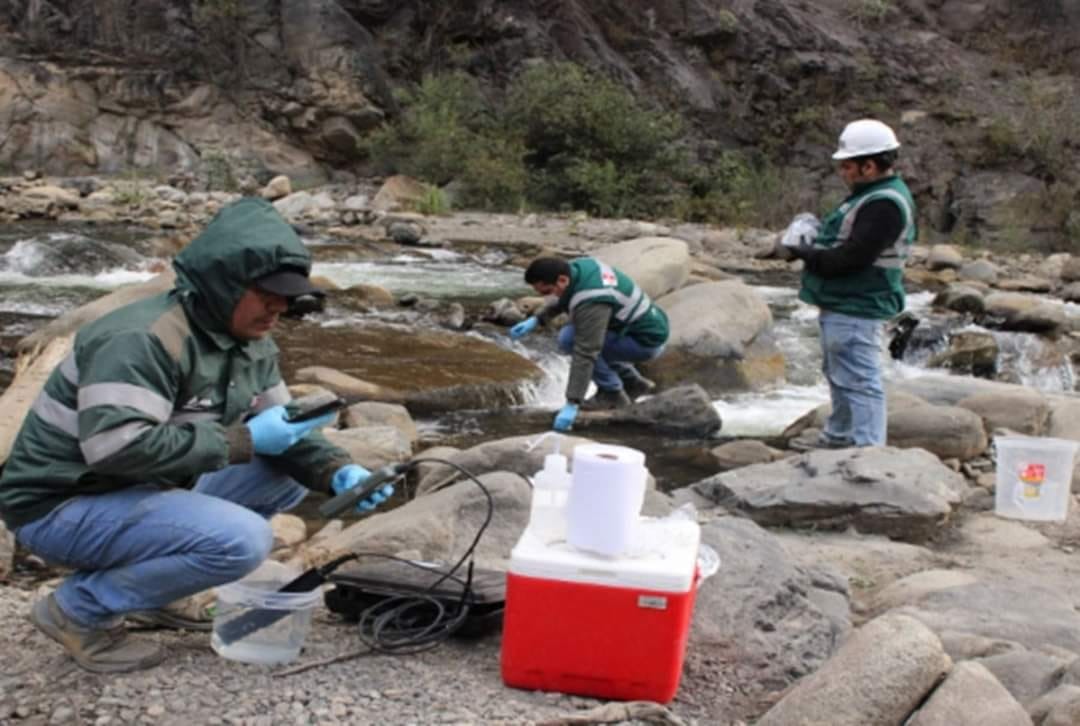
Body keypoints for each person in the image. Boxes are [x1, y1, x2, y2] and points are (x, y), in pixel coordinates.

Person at [0, 197, 393, 673]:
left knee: (285, 474)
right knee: (242, 541)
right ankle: (78, 610)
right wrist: (242, 441)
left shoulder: (250, 341)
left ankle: (148, 594)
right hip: (59, 503)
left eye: (287, 294)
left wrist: (338, 473)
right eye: (267, 293)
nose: (281, 306)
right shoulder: (142, 339)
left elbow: (284, 431)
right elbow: (115, 449)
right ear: (222, 284)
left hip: (135, 488)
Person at [776, 118, 917, 448]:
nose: (842, 172)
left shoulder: (883, 203)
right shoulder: (872, 196)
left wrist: (804, 252)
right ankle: (838, 438)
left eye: (847, 165)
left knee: (859, 380)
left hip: (859, 303)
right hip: (846, 303)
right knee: (841, 375)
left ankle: (867, 450)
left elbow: (851, 259)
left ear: (869, 166)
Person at [510, 256, 669, 432]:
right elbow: (564, 296)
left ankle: (612, 394)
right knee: (573, 335)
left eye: (546, 292)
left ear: (562, 280)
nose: (546, 297)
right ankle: (632, 382)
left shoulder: (593, 300)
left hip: (644, 342)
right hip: (638, 330)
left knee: (571, 339)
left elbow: (586, 352)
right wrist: (538, 319)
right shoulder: (578, 267)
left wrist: (572, 403)